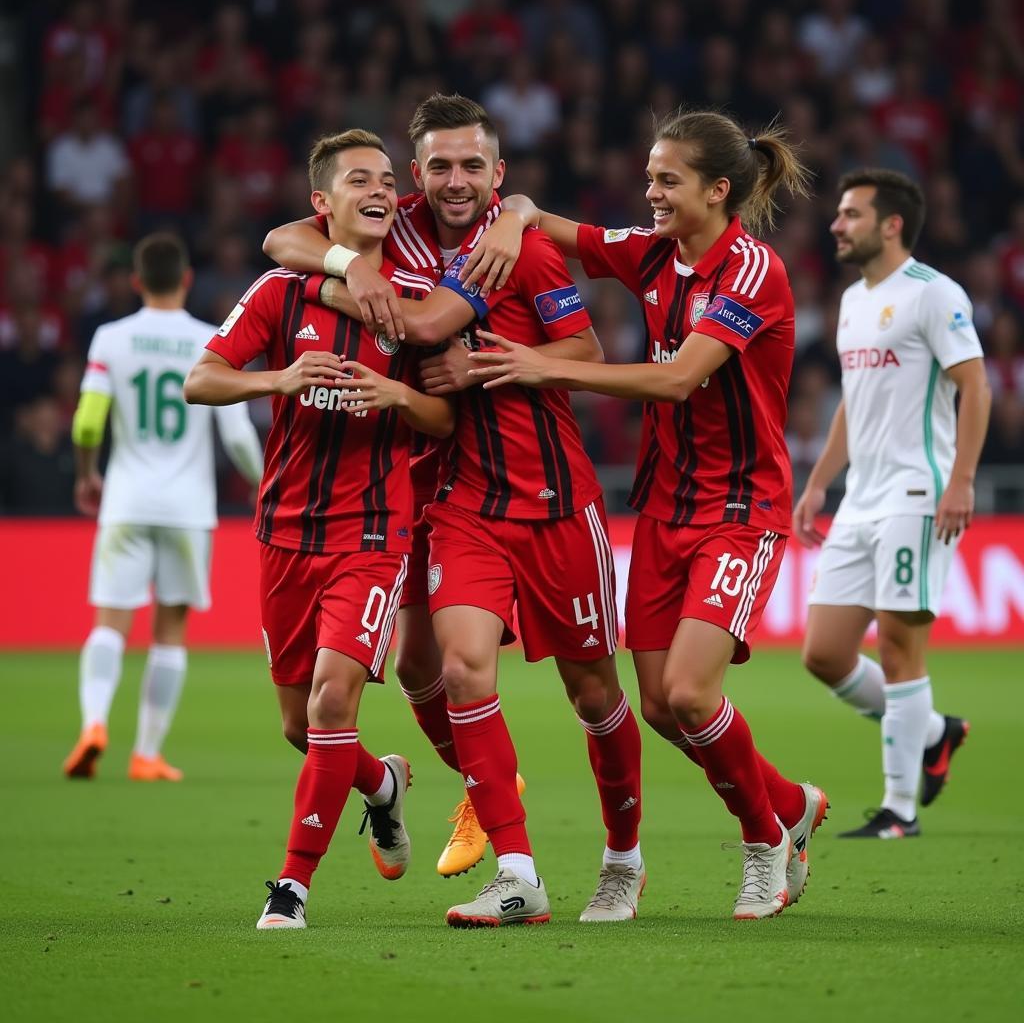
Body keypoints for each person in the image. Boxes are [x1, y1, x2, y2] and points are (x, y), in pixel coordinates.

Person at [284, 94, 644, 927]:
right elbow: (283, 241)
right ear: (417, 175)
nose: (457, 180)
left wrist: (484, 362)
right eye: (440, 166)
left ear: (499, 174)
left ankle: (623, 859)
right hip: (456, 495)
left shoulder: (519, 247)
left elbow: (584, 351)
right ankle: (517, 866)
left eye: (474, 167)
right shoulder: (390, 227)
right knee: (449, 667)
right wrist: (351, 268)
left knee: (594, 693)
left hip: (556, 498)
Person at [462, 108, 828, 921]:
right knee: (660, 705)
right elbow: (558, 225)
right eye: (651, 176)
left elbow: (676, 380)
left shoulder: (752, 271)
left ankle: (767, 841)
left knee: (693, 696)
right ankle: (790, 803)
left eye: (668, 180)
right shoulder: (654, 252)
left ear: (718, 190)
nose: (651, 192)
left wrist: (541, 369)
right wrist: (515, 211)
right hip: (665, 509)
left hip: (738, 508)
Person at [183, 129, 455, 929]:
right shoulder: (280, 291)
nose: (380, 189)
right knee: (301, 727)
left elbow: (444, 418)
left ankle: (292, 887)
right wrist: (281, 376)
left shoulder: (417, 303)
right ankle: (383, 784)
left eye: (386, 179)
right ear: (322, 204)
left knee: (334, 706)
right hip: (282, 536)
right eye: (359, 179)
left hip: (373, 534)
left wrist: (399, 396)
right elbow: (202, 378)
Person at [793, 169, 990, 838]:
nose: (836, 224)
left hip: (917, 492)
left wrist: (961, 480)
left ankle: (899, 810)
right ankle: (934, 731)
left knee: (903, 647)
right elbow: (854, 400)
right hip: (862, 498)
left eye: (850, 214)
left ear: (891, 224)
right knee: (823, 653)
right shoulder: (852, 301)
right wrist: (820, 481)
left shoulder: (935, 296)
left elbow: (976, 386)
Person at [63, 233, 263, 782]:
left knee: (109, 623)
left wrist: (87, 474)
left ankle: (94, 724)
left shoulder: (111, 338)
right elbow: (239, 436)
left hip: (125, 501)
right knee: (169, 632)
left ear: (135, 282)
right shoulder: (209, 341)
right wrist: (260, 482)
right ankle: (147, 753)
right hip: (187, 509)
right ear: (187, 280)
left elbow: (85, 421)